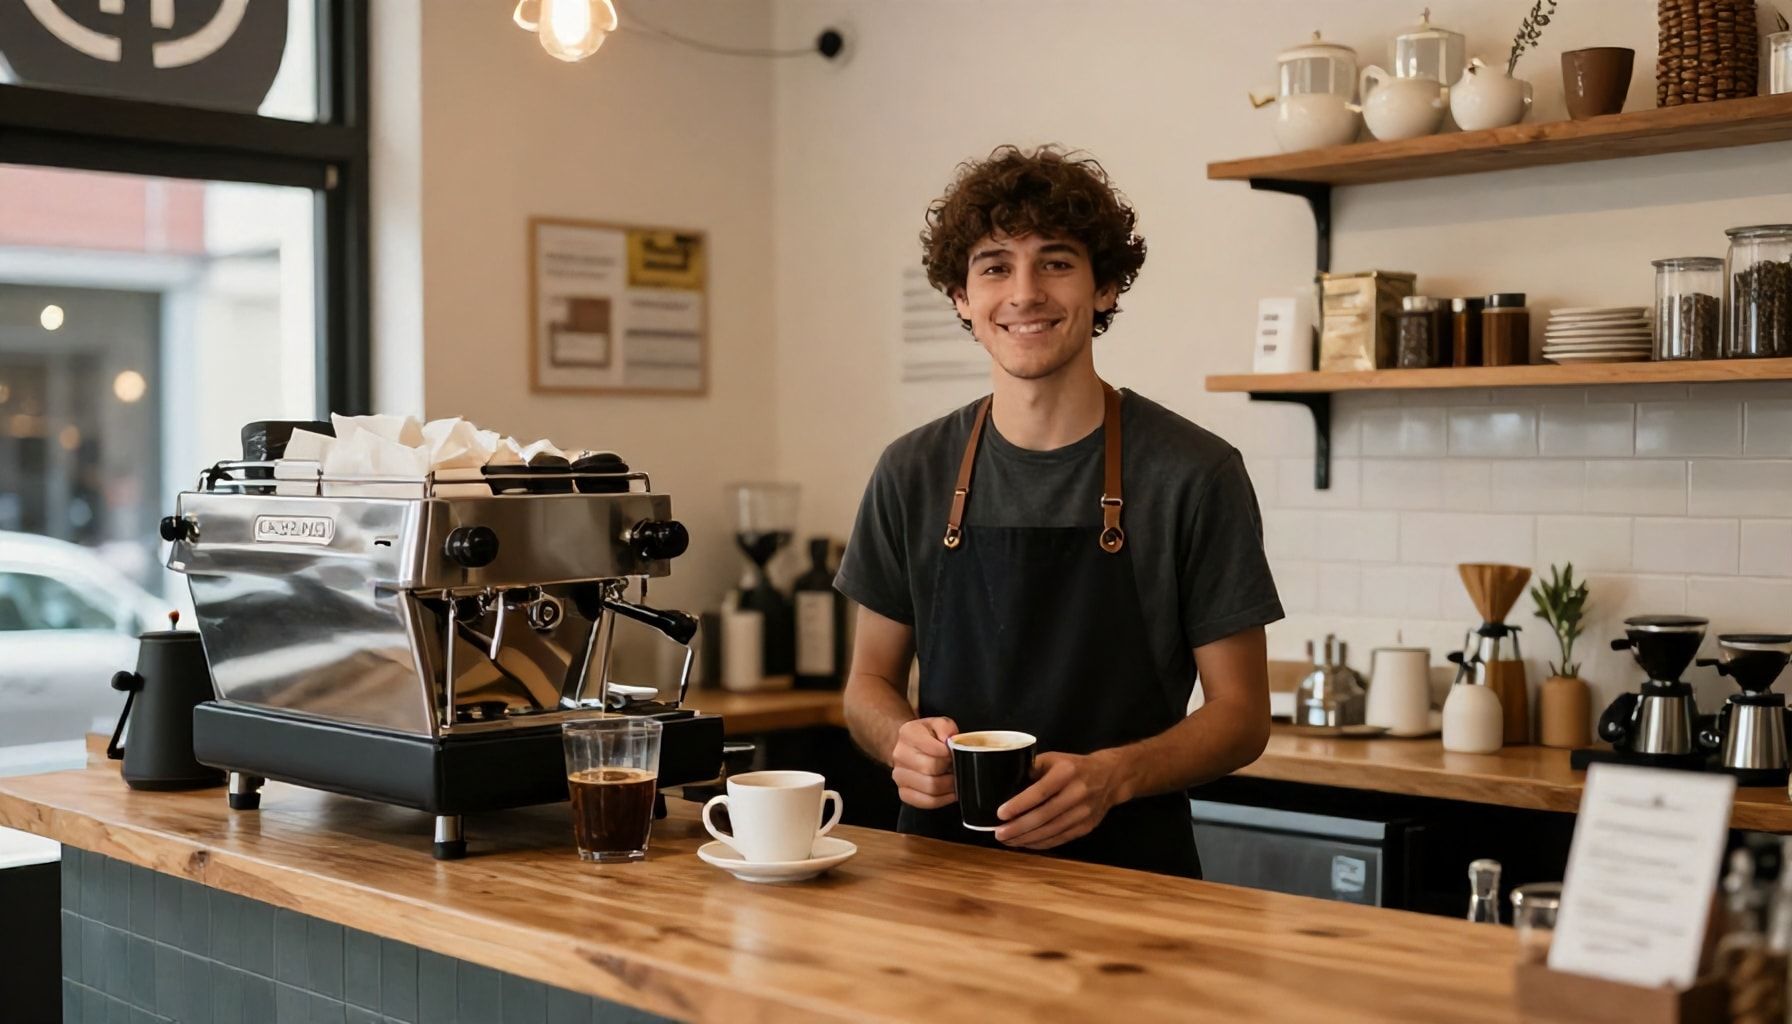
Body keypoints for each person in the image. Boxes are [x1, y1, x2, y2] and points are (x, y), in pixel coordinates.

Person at [833, 145, 1283, 878]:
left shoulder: (1193, 473)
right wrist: (898, 742)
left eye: (1056, 262)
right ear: (960, 296)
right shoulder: (910, 472)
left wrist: (1115, 777)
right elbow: (866, 687)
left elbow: (1241, 715)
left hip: (1130, 886)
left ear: (1104, 287)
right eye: (994, 266)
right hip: (938, 882)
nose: (1024, 293)